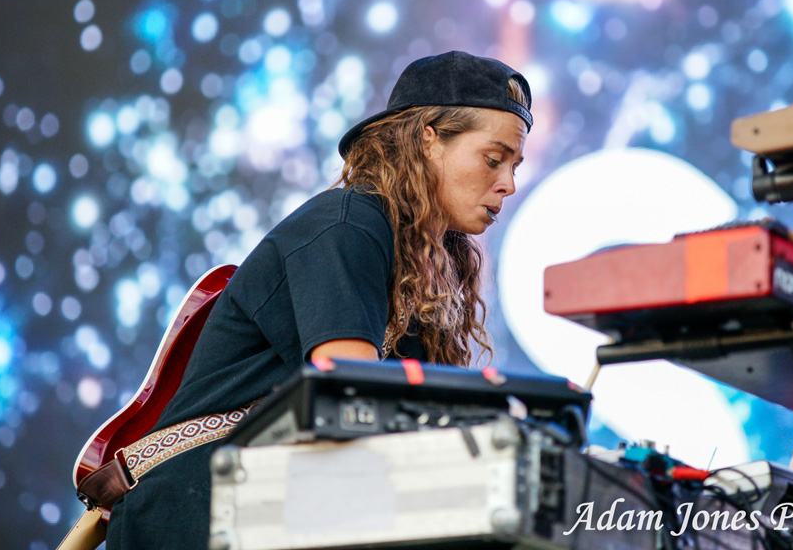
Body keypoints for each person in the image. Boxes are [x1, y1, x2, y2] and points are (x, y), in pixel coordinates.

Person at [103, 50, 533, 549]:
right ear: (427, 140)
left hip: (266, 507)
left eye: (514, 165)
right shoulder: (348, 224)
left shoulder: (420, 268)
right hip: (192, 512)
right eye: (493, 159)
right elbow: (355, 407)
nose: (509, 184)